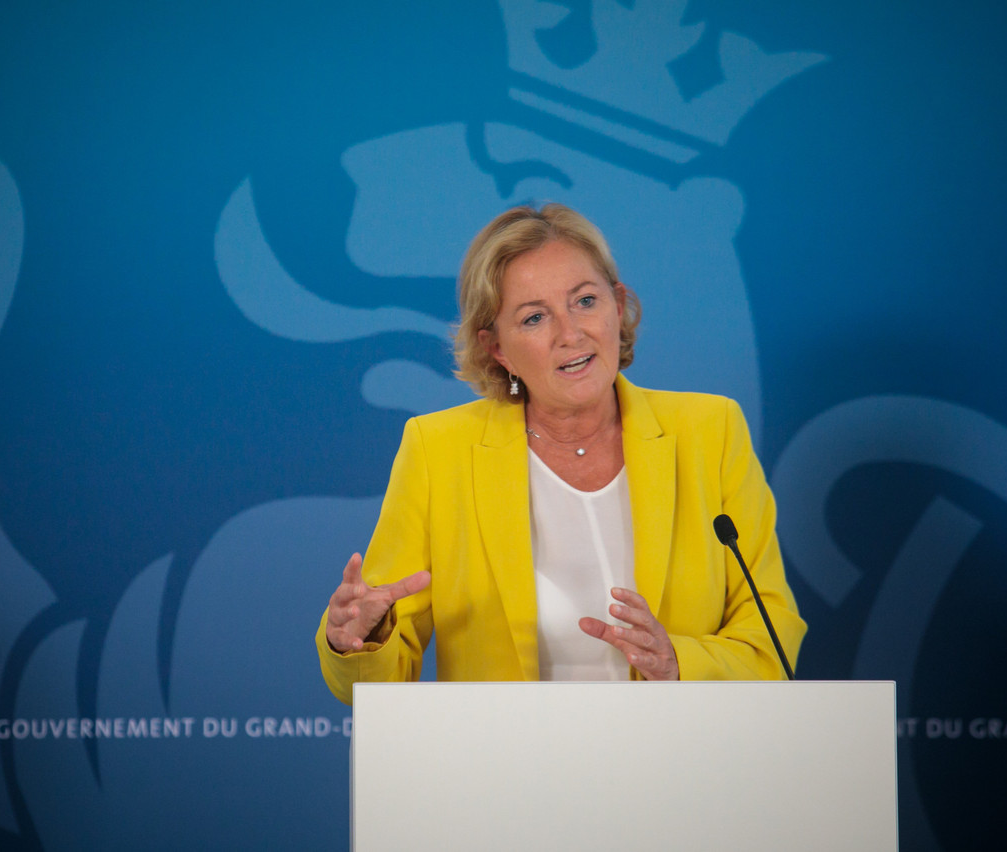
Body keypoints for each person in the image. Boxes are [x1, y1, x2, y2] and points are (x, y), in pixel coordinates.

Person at [316, 203, 805, 703]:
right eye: (534, 318)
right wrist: (357, 639)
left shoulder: (710, 431)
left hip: (684, 764)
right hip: (506, 769)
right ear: (497, 348)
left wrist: (679, 663)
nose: (571, 334)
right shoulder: (439, 452)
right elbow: (367, 689)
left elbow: (771, 638)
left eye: (586, 301)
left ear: (618, 306)